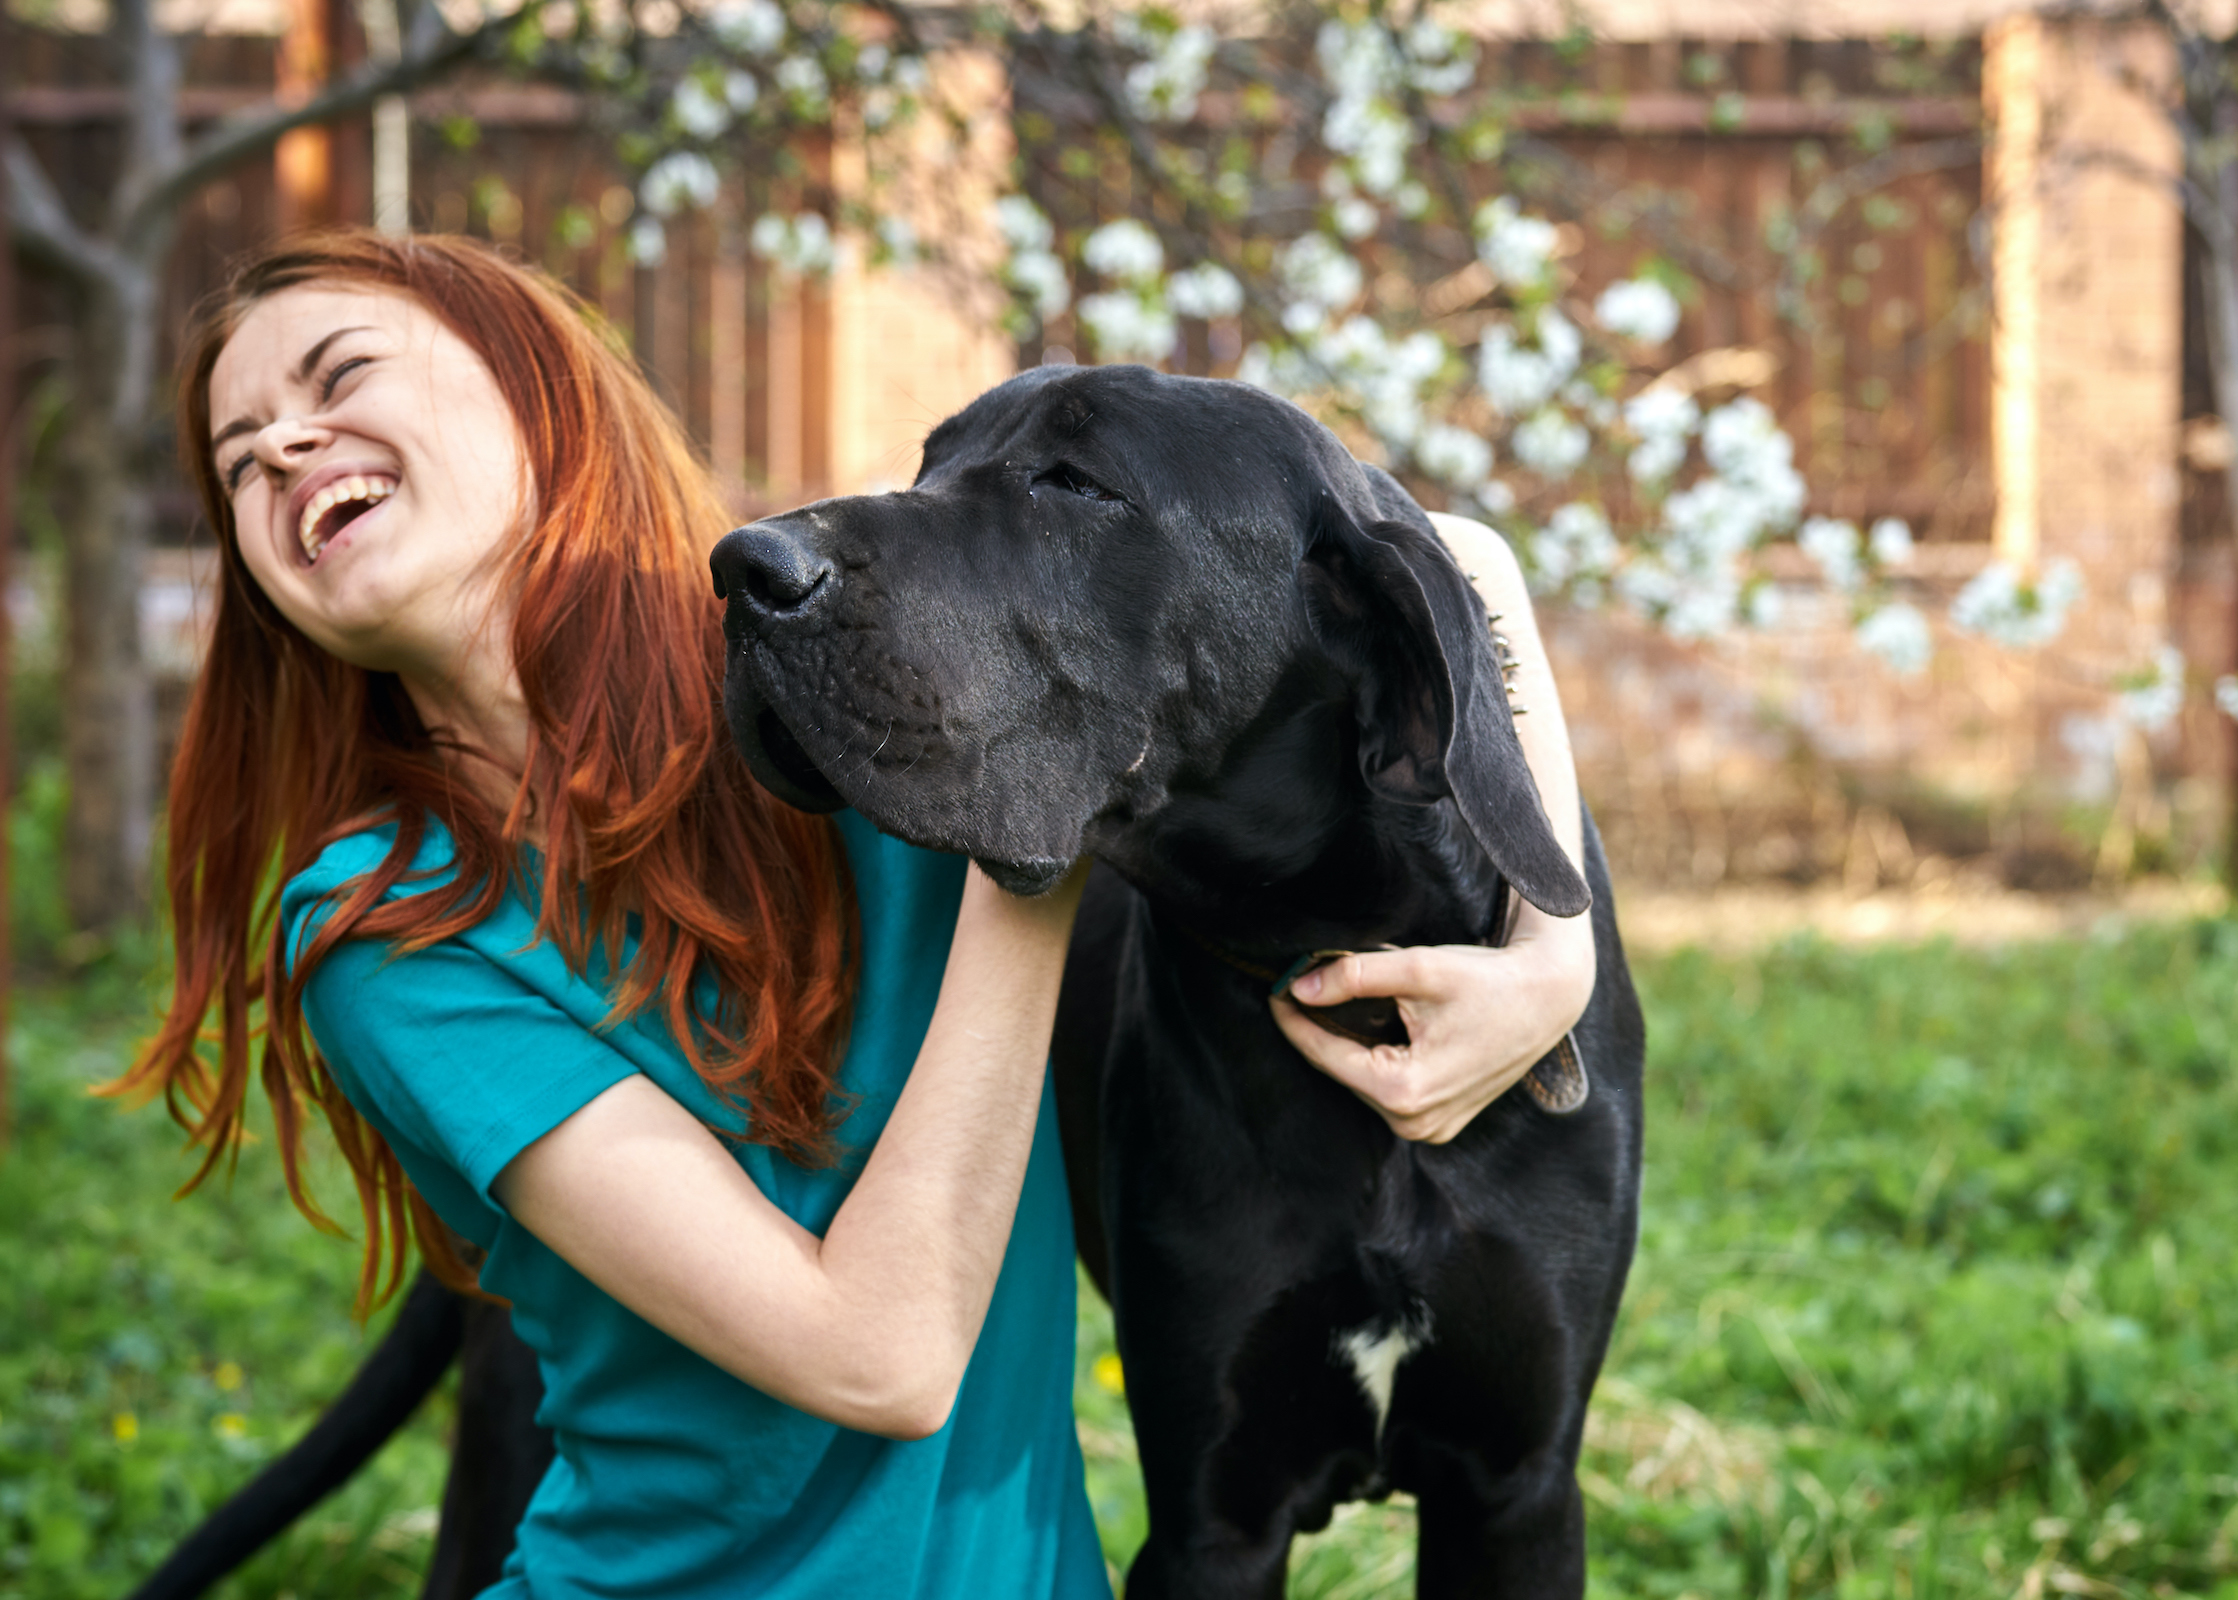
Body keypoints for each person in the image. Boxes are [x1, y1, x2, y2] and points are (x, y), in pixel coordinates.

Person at [110, 229, 1596, 1596]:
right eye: (239, 460)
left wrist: (1556, 948)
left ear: (541, 390)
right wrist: (1034, 814)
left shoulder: (834, 688)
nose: (284, 444)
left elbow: (1428, 551)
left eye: (339, 375)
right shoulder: (384, 933)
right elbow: (883, 1358)